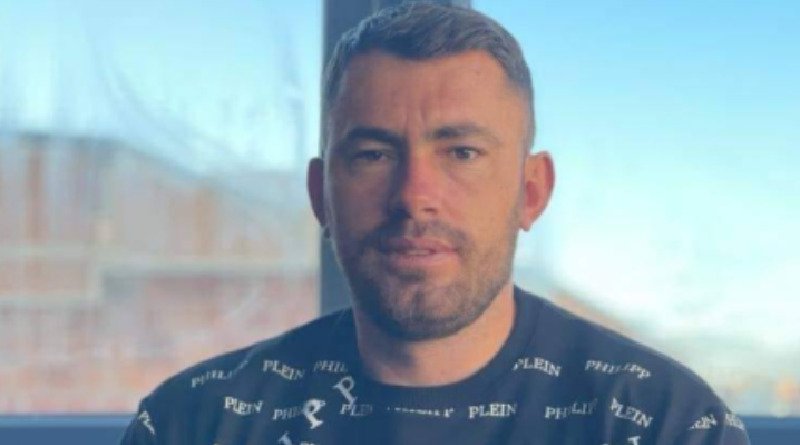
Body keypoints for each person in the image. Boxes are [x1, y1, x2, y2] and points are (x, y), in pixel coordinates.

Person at [120, 3, 750, 444]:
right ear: (320, 195)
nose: (414, 197)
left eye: (462, 153)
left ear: (531, 192)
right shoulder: (194, 423)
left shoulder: (661, 425)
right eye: (373, 154)